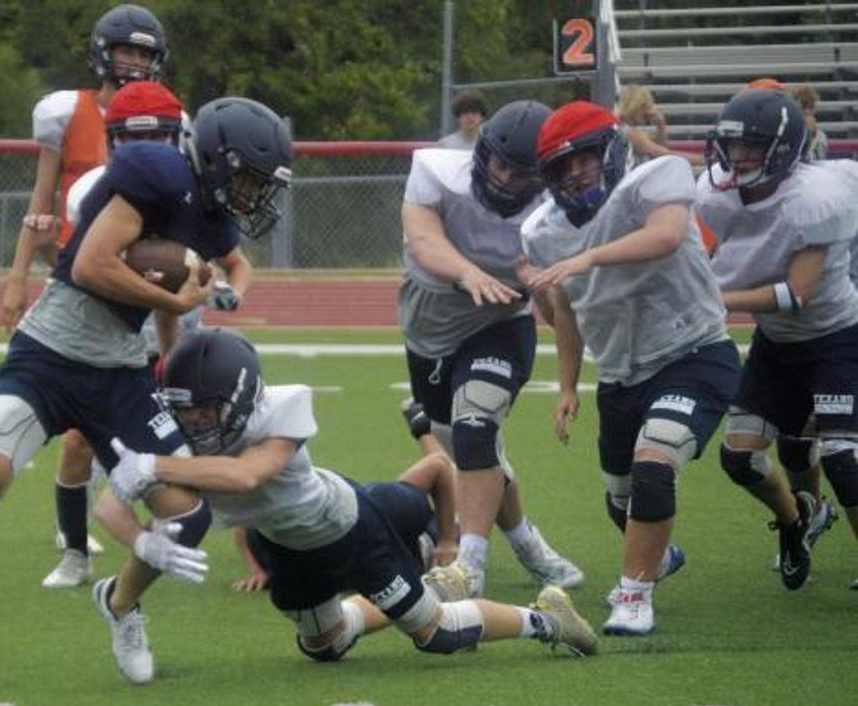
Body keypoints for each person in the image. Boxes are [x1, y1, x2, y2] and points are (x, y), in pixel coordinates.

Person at [0, 96, 293, 688]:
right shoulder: (153, 172)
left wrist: (198, 322)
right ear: (215, 160)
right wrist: (177, 300)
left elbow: (204, 277)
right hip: (50, 351)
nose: (251, 194)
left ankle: (120, 604)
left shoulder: (213, 219)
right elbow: (90, 266)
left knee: (187, 515)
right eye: (246, 178)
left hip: (119, 372)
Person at [102, 328, 598, 679]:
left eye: (205, 411)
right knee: (325, 645)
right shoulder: (174, 437)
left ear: (244, 397)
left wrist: (153, 466)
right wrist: (143, 540)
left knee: (437, 635)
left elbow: (247, 473)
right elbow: (108, 506)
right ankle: (423, 592)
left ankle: (548, 619)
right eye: (184, 412)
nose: (194, 424)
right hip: (284, 546)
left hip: (347, 527)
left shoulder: (283, 406)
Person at [517, 100, 741, 636]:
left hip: (693, 350)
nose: (577, 172)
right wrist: (568, 384)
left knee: (655, 461)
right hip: (620, 373)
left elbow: (664, 235)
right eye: (563, 166)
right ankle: (658, 558)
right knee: (622, 499)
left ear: (612, 149)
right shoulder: (545, 230)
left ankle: (634, 595)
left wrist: (590, 256)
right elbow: (567, 310)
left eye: (587, 157)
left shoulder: (656, 178)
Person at [38, 80, 254, 590]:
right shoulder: (99, 189)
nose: (147, 151)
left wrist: (232, 294)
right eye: (134, 140)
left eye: (158, 137)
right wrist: (47, 248)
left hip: (182, 345)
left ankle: (248, 550)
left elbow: (236, 262)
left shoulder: (198, 194)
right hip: (120, 344)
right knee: (77, 446)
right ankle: (75, 553)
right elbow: (79, 269)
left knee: (217, 440)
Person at [0, 4, 171, 589]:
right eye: (128, 51)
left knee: (152, 422)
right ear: (103, 51)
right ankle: (76, 551)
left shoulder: (164, 117)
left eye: (145, 54)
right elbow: (40, 204)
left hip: (139, 292)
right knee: (76, 439)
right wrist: (18, 277)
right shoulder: (65, 113)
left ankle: (161, 540)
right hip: (74, 284)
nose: (136, 62)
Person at [400, 99, 584, 602]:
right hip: (431, 328)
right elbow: (422, 240)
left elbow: (558, 309)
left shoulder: (552, 214)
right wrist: (468, 271)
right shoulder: (438, 172)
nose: (503, 178)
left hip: (501, 323)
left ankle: (469, 565)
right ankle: (526, 541)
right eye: (498, 162)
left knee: (476, 423)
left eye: (519, 171)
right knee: (472, 446)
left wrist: (568, 381)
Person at [696, 88, 858, 591]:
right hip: (776, 343)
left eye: (752, 146)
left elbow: (797, 293)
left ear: (784, 148)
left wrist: (715, 298)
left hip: (835, 336)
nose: (737, 156)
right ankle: (796, 522)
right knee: (739, 457)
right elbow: (724, 251)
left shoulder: (817, 197)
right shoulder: (716, 193)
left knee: (842, 457)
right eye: (733, 145)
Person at [230, 400, 460, 592]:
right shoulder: (267, 531)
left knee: (461, 515)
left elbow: (438, 466)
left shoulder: (382, 507)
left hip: (417, 534)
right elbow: (242, 525)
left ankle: (422, 427)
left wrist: (447, 540)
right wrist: (258, 570)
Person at [614, 85, 703, 167]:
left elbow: (660, 148)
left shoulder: (624, 128)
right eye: (647, 107)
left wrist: (660, 125)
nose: (649, 111)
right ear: (639, 107)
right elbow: (665, 155)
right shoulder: (630, 133)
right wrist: (704, 160)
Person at [791, 84, 830, 161]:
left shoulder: (821, 136)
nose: (808, 111)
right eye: (803, 106)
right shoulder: (786, 132)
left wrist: (812, 135)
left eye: (811, 107)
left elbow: (818, 160)